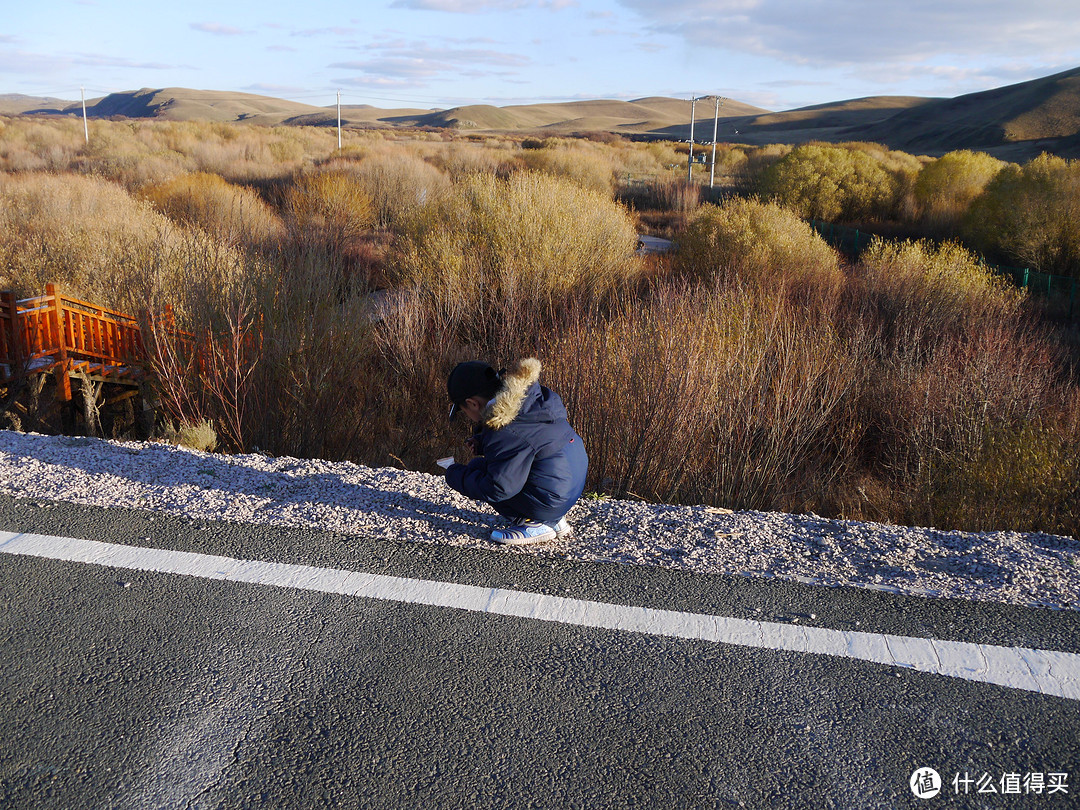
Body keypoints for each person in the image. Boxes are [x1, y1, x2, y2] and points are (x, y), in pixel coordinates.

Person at [444, 357, 588, 545]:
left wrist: (454, 474)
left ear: (472, 403)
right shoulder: (529, 400)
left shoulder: (505, 430)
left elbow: (498, 488)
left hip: (553, 498)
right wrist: (482, 442)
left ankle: (536, 523)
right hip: (570, 483)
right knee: (479, 465)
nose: (468, 417)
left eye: (464, 410)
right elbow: (530, 438)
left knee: (480, 473)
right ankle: (555, 519)